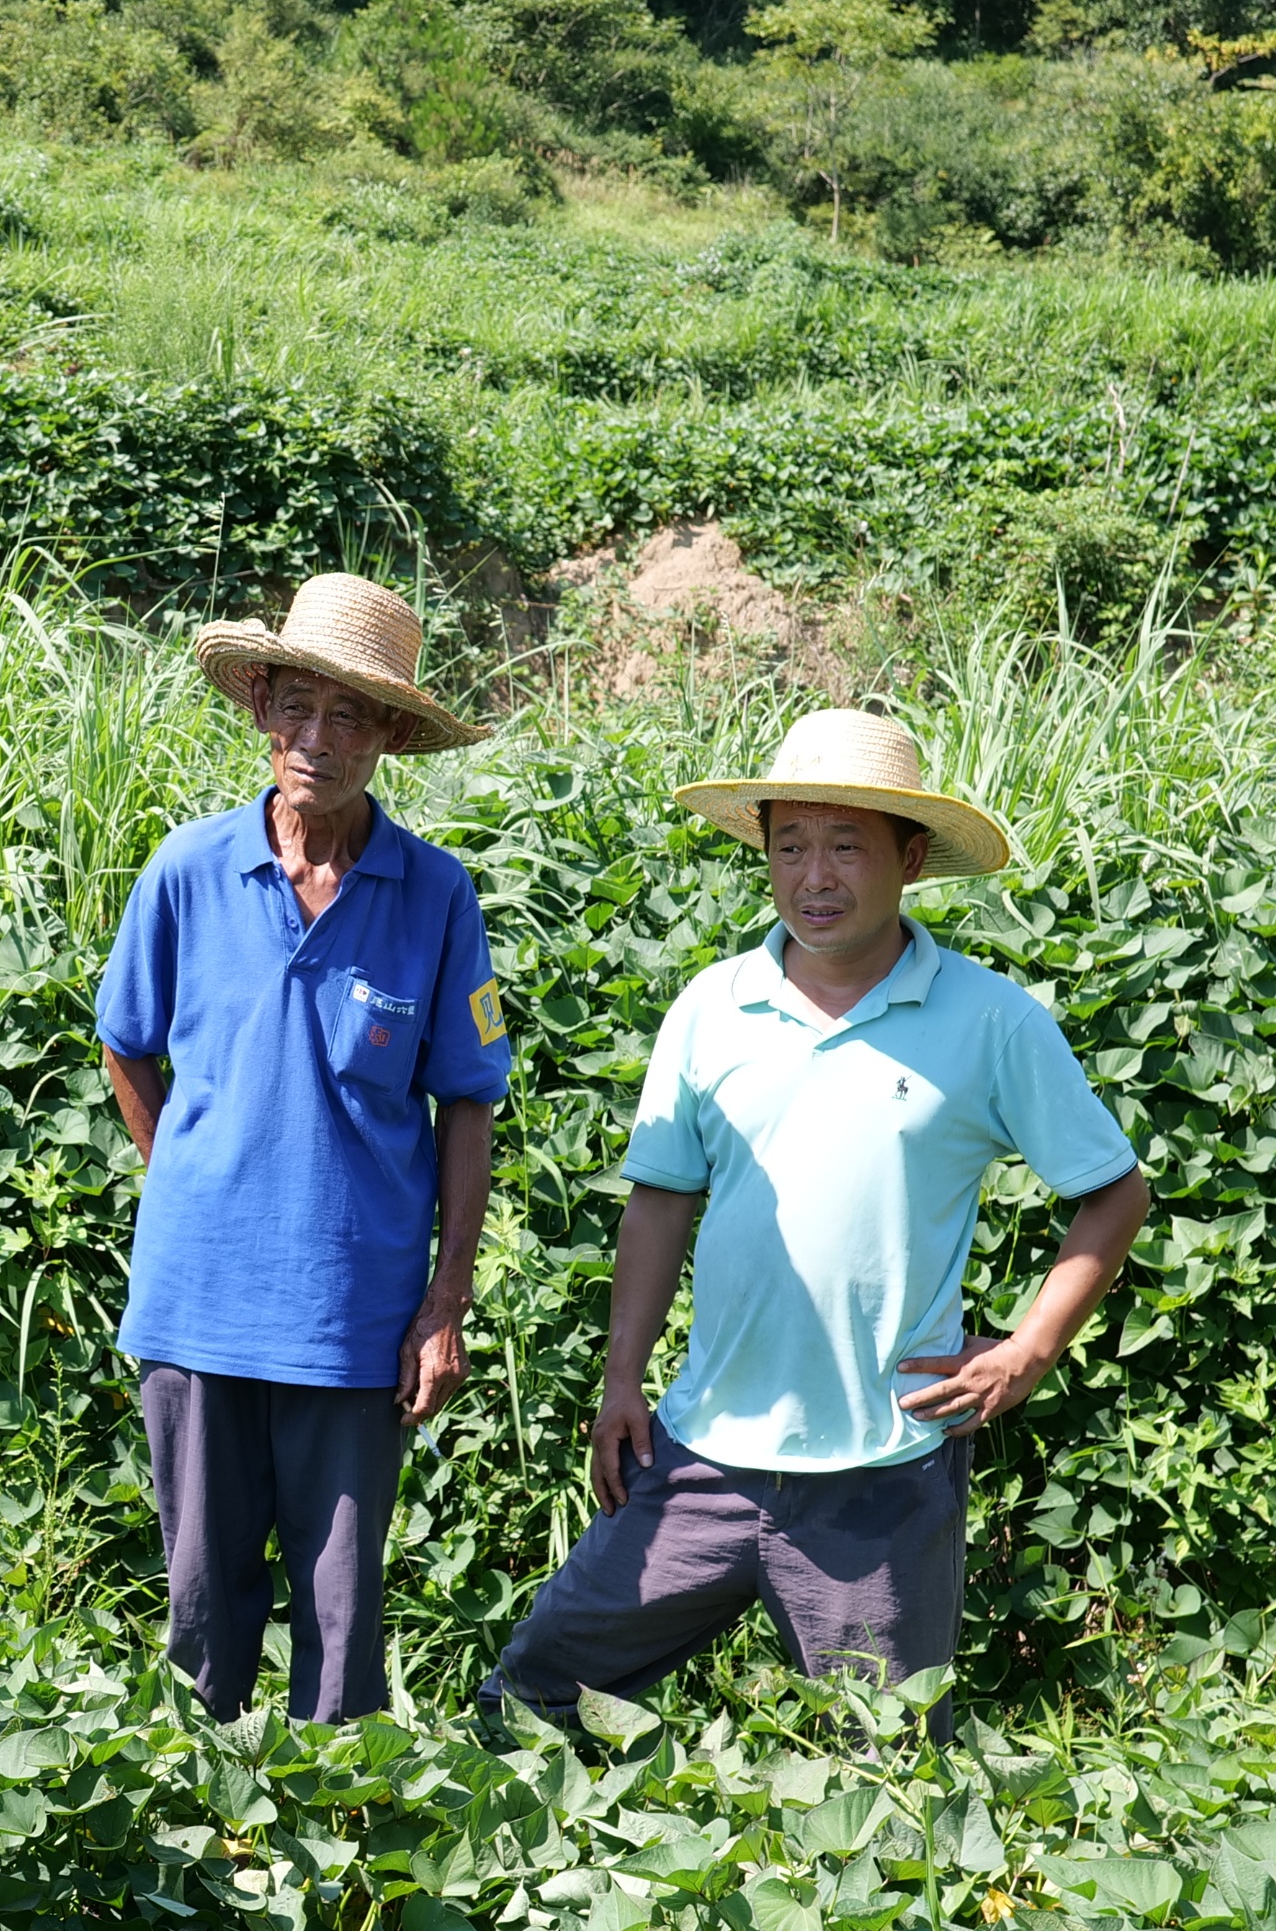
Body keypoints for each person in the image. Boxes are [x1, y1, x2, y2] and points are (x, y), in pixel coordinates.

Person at [486, 709, 1151, 1724]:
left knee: (882, 1770)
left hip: (882, 1466)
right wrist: (621, 1379)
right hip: (701, 1451)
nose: (814, 875)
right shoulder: (710, 1007)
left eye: (845, 844)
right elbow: (661, 1200)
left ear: (909, 855)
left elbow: (1113, 1189)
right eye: (789, 844)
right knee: (531, 1696)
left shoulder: (990, 1020)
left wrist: (1031, 1346)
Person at [97, 572, 512, 1723]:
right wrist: (176, 1167)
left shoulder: (433, 894)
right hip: (196, 1302)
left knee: (340, 1612)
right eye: (293, 707)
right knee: (200, 1606)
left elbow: (465, 1100)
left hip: (351, 1310)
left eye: (345, 717)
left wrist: (444, 1299)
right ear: (261, 709)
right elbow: (124, 1043)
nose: (314, 740)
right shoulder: (188, 868)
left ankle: (334, 1845)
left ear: (386, 734)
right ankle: (199, 1858)